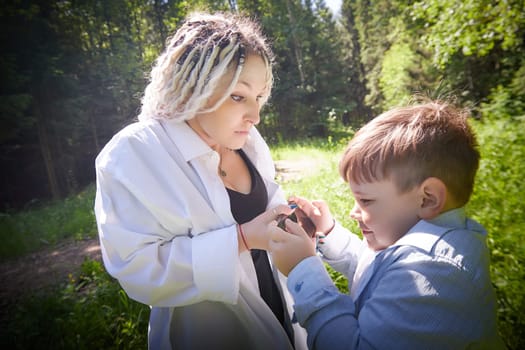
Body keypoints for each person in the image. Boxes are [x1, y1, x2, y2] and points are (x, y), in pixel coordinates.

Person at [94, 11, 307, 350]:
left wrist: (291, 220)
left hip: (280, 311)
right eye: (239, 96)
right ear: (191, 86)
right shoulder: (133, 152)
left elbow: (266, 215)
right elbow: (136, 269)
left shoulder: (250, 142)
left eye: (260, 97)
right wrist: (241, 239)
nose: (255, 115)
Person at [269, 100, 504, 349]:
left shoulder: (429, 271)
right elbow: (373, 271)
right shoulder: (413, 247)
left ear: (428, 198)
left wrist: (304, 270)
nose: (353, 212)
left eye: (366, 200)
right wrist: (328, 231)